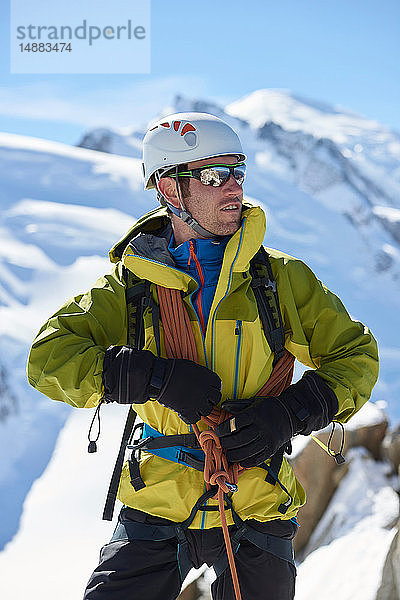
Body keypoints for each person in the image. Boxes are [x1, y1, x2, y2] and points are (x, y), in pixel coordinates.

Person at [27, 112, 379, 600]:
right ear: (170, 188)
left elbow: (355, 355)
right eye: (215, 176)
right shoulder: (132, 287)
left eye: (238, 172)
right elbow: (49, 358)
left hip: (256, 497)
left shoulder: (279, 280)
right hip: (159, 500)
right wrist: (151, 378)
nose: (234, 187)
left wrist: (289, 413)